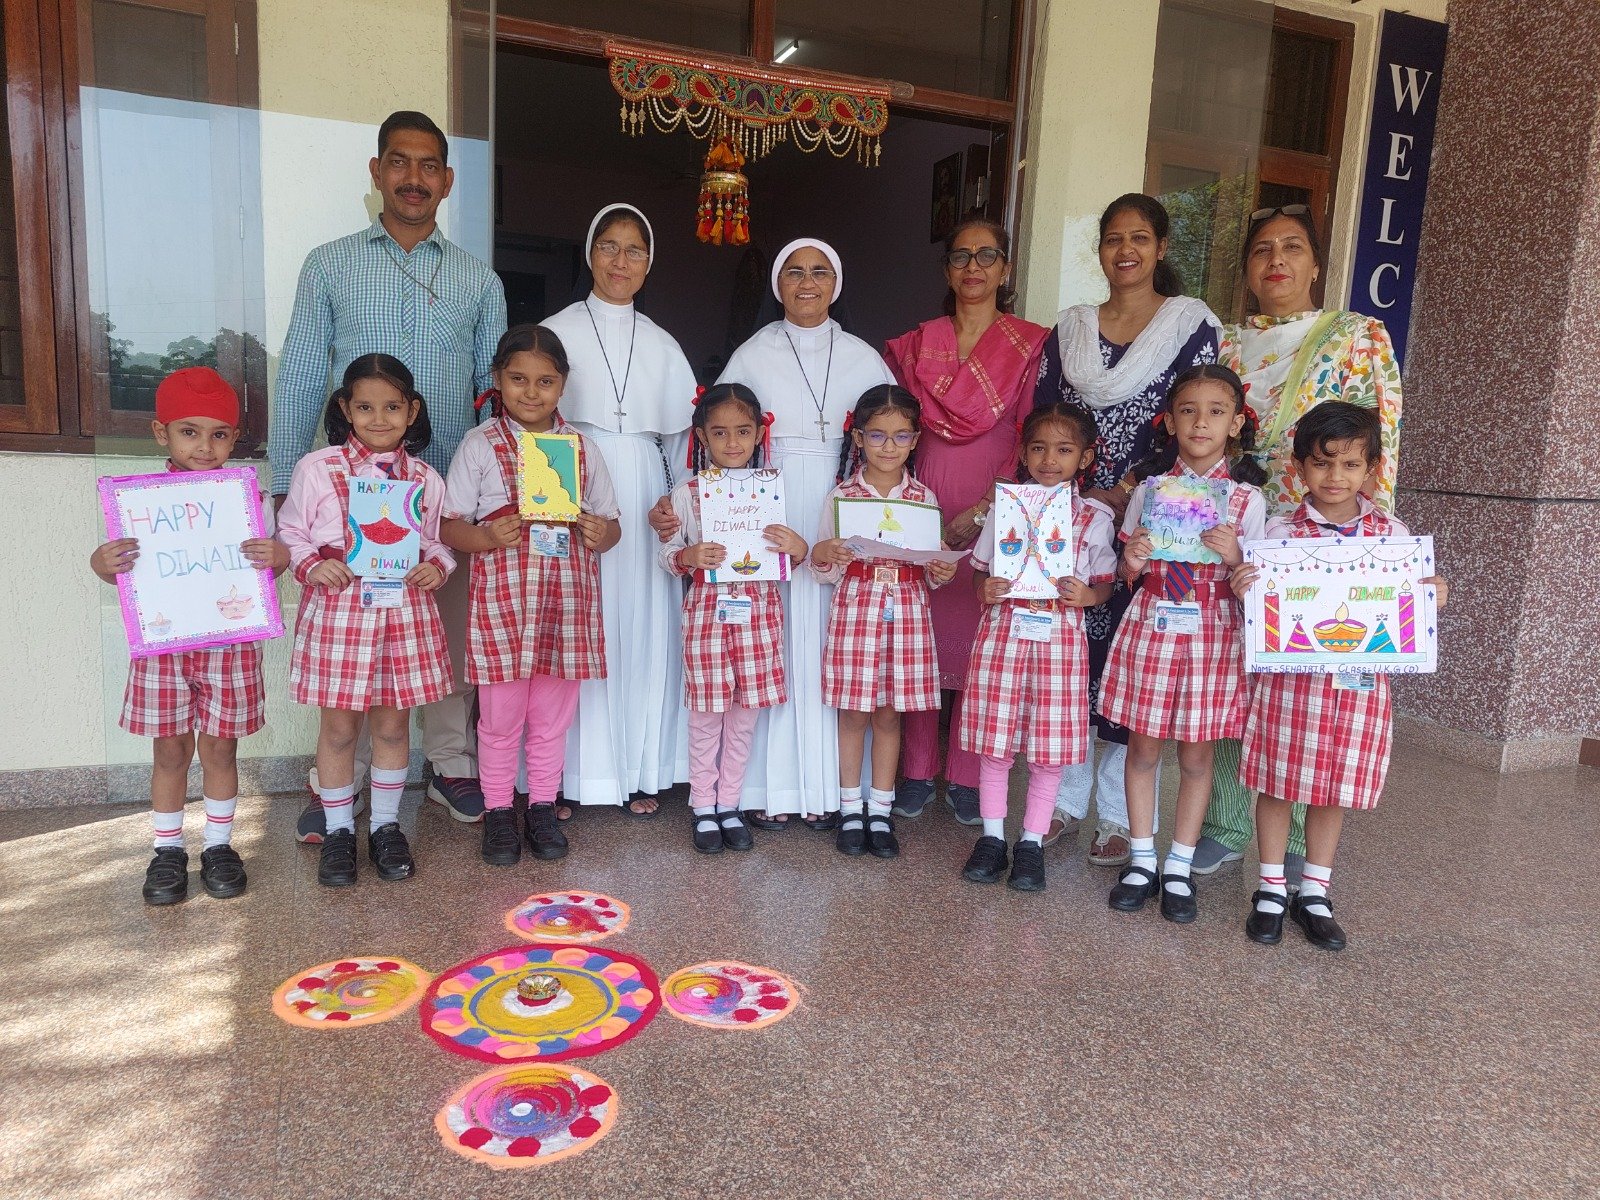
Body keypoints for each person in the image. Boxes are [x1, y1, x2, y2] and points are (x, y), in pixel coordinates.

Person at [270, 110, 507, 839]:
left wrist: (497, 494)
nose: (413, 177)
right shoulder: (330, 263)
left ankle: (448, 763)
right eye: (399, 163)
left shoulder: (477, 277)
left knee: (441, 630)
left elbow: (494, 391)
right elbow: (306, 373)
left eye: (428, 165)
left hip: (445, 494)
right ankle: (331, 784)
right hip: (344, 501)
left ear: (447, 179)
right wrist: (284, 481)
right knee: (352, 644)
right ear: (376, 172)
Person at [1193, 204, 1405, 882]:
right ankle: (1228, 822)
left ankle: (1291, 854)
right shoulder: (1224, 343)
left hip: (1327, 536)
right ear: (1249, 270)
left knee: (1306, 687)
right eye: (1260, 249)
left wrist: (1373, 548)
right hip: (1244, 529)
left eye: (1291, 247)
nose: (1276, 259)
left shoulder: (1356, 334)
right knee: (1238, 672)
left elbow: (1384, 436)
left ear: (1316, 263)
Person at [651, 238, 895, 826]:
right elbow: (718, 439)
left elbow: (887, 438)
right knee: (764, 643)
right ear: (777, 285)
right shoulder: (753, 353)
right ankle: (759, 791)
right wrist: (674, 511)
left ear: (835, 283)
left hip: (834, 498)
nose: (806, 283)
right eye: (793, 272)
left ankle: (827, 790)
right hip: (759, 506)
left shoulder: (864, 356)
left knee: (825, 635)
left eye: (818, 272)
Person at [1034, 193, 1220, 865]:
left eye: (1139, 238)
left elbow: (1191, 418)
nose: (1125, 251)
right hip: (1075, 518)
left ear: (1162, 247)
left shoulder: (1189, 323)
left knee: (1126, 667)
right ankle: (1062, 800)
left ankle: (1117, 814)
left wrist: (1128, 489)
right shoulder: (1073, 327)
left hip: (1155, 521)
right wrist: (1067, 493)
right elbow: (1045, 416)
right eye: (1112, 239)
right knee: (1072, 655)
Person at [1231, 403, 1446, 950]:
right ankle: (1272, 889)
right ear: (1300, 468)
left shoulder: (1392, 536)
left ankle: (1316, 892)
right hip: (1290, 685)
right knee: (1277, 784)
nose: (1336, 477)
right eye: (1323, 464)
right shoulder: (1280, 533)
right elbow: (1259, 614)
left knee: (1335, 787)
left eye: (1350, 464)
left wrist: (1430, 598)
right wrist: (1245, 589)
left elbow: (1406, 606)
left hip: (1358, 687)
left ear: (1371, 468)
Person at [91, 367, 289, 905]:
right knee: (171, 751)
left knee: (222, 749)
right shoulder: (138, 502)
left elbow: (266, 568)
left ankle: (220, 846)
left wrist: (280, 558)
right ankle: (168, 850)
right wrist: (102, 563)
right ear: (162, 433)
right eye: (189, 431)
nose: (205, 446)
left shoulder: (247, 500)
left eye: (220, 434)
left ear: (234, 437)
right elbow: (121, 567)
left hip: (229, 645)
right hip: (164, 645)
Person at [883, 219, 1049, 824]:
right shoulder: (913, 344)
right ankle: (918, 770)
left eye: (987, 256)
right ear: (947, 269)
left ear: (1006, 269)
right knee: (921, 638)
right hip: (920, 502)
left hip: (995, 507)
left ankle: (968, 777)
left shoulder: (1031, 343)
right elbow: (896, 426)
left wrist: (984, 513)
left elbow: (1031, 432)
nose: (973, 267)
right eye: (960, 256)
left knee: (981, 647)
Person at [440, 325, 622, 868]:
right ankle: (499, 811)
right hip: (504, 605)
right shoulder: (479, 445)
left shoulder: (582, 449)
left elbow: (611, 526)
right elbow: (450, 526)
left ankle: (541, 805)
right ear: (498, 380)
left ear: (563, 385)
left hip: (566, 607)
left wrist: (599, 533)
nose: (531, 391)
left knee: (551, 717)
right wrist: (486, 536)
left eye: (545, 381)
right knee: (499, 719)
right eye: (518, 379)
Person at [543, 204, 697, 817]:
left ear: (649, 263)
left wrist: (679, 505)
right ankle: (565, 774)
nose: (620, 261)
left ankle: (640, 769)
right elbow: (538, 418)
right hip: (572, 483)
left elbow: (683, 443)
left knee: (638, 626)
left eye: (634, 250)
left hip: (641, 489)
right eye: (609, 246)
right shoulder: (556, 331)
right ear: (589, 254)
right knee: (578, 621)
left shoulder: (663, 343)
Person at [278, 354, 456, 887]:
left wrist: (435, 567)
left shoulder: (424, 477)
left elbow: (438, 543)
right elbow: (290, 533)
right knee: (337, 728)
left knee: (393, 724)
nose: (379, 418)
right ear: (345, 409)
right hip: (340, 612)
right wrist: (313, 564)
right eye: (365, 407)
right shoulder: (317, 468)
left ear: (412, 410)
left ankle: (384, 826)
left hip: (402, 613)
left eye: (392, 407)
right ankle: (338, 830)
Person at [1100, 364, 1266, 924]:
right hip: (1155, 621)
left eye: (1216, 412)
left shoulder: (1246, 501)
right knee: (1143, 749)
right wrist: (1134, 559)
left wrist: (1235, 557)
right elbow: (1126, 574)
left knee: (1197, 757)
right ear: (1169, 421)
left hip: (1213, 629)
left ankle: (1179, 862)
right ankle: (1142, 858)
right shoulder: (1147, 491)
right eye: (1189, 411)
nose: (1201, 423)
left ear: (1236, 424)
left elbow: (1256, 585)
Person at [957, 403, 1116, 892]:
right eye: (1039, 448)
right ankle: (990, 838)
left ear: (1085, 457)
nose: (1050, 459)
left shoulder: (1094, 519)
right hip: (1003, 635)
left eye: (1064, 450)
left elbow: (1107, 584)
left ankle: (1029, 842)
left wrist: (1088, 596)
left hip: (1059, 642)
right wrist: (982, 589)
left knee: (1048, 751)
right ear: (1023, 453)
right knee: (995, 743)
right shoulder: (1005, 508)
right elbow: (980, 573)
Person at [658, 383, 809, 854]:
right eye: (720, 433)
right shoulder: (686, 494)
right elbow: (666, 555)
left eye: (743, 431)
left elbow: (794, 556)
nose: (733, 443)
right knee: (707, 716)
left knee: (745, 718)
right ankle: (703, 806)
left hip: (760, 619)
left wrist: (796, 548)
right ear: (701, 437)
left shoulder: (772, 490)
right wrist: (688, 554)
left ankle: (730, 803)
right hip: (707, 617)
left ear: (759, 434)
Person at [810, 386, 957, 859]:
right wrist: (825, 553)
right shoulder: (842, 496)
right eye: (877, 435)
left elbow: (930, 569)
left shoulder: (923, 497)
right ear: (858, 438)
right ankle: (850, 807)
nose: (888, 446)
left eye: (900, 436)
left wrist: (941, 569)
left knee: (890, 713)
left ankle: (880, 809)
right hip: (857, 609)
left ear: (915, 440)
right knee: (853, 712)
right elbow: (821, 565)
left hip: (907, 611)